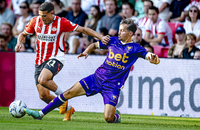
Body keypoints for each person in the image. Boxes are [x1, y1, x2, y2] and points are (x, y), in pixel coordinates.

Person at [24, 19, 160, 123]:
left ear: (130, 33)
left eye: (123, 30)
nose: (119, 32)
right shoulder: (112, 40)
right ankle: (40, 114)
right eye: (119, 29)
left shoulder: (136, 48)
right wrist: (86, 51)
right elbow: (95, 44)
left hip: (112, 86)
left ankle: (116, 116)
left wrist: (154, 58)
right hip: (97, 78)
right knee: (68, 93)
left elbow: (149, 56)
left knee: (108, 118)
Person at [15, 2, 110, 121]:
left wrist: (101, 37)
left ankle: (63, 99)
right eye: (40, 15)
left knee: (42, 79)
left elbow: (84, 30)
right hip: (39, 60)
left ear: (51, 13)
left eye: (44, 15)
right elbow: (22, 34)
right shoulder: (35, 21)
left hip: (56, 57)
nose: (42, 18)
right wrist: (19, 42)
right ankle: (69, 109)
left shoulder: (61, 22)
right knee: (43, 96)